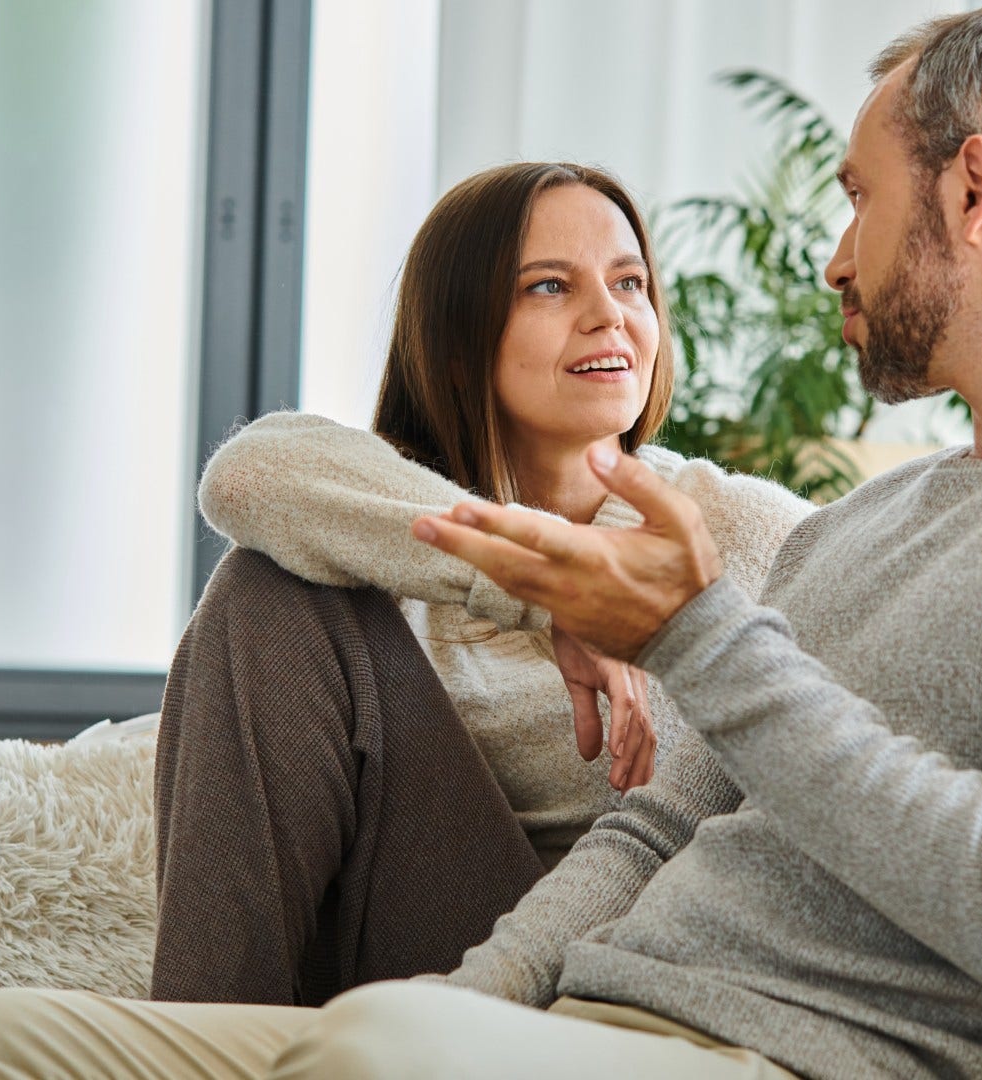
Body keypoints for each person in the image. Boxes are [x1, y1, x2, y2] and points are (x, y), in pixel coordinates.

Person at [0, 6, 982, 1079]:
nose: (832, 257)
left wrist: (696, 636)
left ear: (973, 188)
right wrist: (479, 996)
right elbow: (659, 824)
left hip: (791, 1057)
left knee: (373, 1063)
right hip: (587, 1019)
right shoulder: (884, 514)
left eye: (858, 200)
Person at [138, 161, 814, 1009]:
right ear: (457, 347)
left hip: (626, 964)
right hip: (414, 939)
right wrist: (549, 590)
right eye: (550, 287)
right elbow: (246, 475)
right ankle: (201, 1042)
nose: (609, 315)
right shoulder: (390, 517)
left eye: (630, 281)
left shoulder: (743, 528)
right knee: (263, 592)